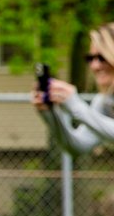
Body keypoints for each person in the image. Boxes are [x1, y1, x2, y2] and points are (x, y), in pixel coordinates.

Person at [34, 23, 114, 156]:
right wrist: (50, 113)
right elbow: (80, 145)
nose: (94, 66)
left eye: (102, 58)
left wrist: (76, 105)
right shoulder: (104, 101)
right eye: (90, 58)